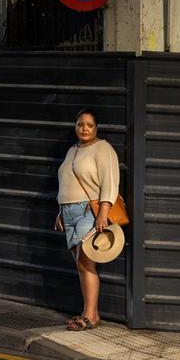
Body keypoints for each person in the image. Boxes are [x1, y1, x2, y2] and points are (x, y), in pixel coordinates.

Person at [53, 109, 120, 331]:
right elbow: (66, 181)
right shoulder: (72, 150)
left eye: (89, 125)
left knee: (85, 262)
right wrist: (60, 212)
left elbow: (110, 182)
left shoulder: (103, 149)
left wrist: (103, 212)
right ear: (75, 126)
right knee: (80, 265)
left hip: (88, 211)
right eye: (80, 124)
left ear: (96, 128)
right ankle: (87, 311)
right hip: (69, 212)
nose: (84, 128)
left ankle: (91, 315)